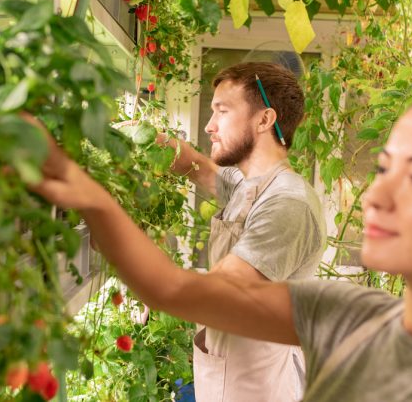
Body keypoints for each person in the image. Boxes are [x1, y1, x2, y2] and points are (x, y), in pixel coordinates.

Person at [25, 82, 412, 401]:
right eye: (384, 168)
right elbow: (173, 289)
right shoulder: (354, 315)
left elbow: (205, 288)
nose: (377, 197)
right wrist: (88, 189)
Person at [124, 62, 326, 401]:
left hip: (263, 387)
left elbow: (220, 291)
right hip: (229, 377)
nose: (209, 125)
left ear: (264, 120)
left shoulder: (287, 204)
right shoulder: (248, 186)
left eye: (222, 112)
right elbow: (196, 165)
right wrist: (134, 137)